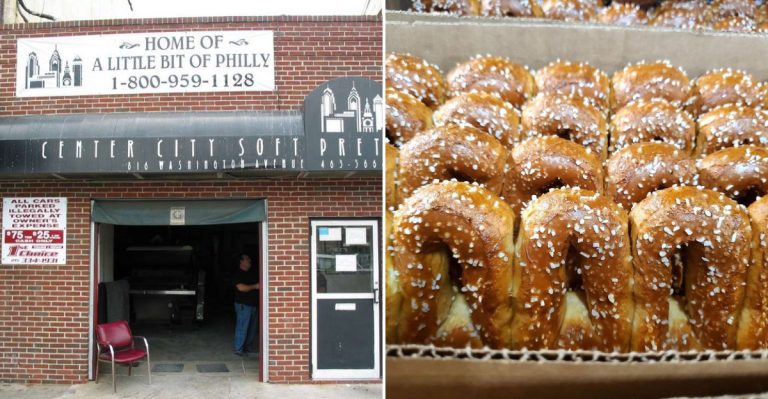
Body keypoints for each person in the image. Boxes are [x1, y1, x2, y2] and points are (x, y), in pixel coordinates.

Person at [233, 254, 259, 357]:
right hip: (243, 305)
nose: (250, 261)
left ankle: (247, 348)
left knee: (252, 328)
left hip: (253, 305)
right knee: (242, 327)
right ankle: (238, 349)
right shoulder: (238, 274)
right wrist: (255, 286)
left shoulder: (252, 273)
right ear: (241, 262)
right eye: (247, 260)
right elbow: (241, 288)